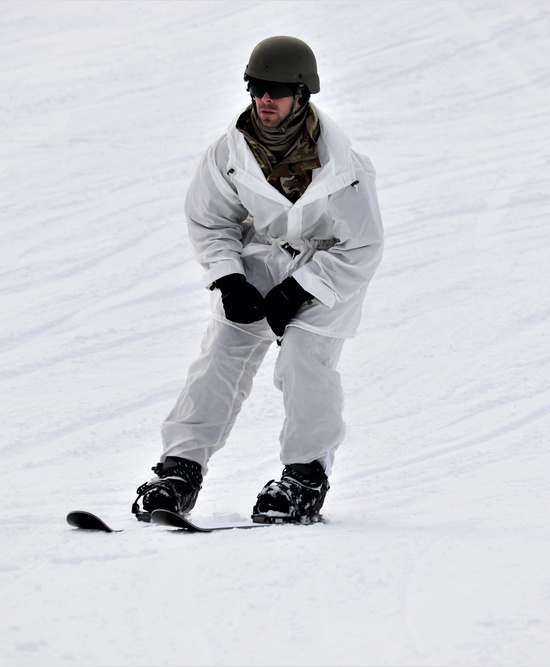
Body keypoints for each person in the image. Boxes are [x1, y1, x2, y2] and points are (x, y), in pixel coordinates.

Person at [132, 36, 383, 524]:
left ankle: (304, 478)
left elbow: (363, 246)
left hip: (328, 273)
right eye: (257, 88)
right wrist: (229, 278)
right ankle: (179, 469)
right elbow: (210, 221)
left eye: (278, 90)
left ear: (303, 93)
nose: (265, 100)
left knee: (304, 361)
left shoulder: (344, 167)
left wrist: (301, 287)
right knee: (221, 354)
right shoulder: (230, 152)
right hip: (261, 263)